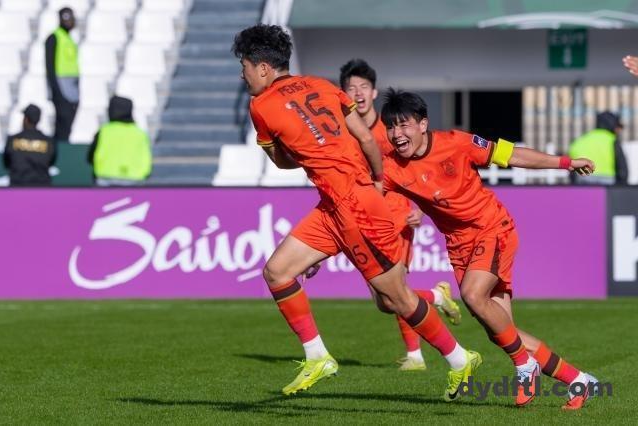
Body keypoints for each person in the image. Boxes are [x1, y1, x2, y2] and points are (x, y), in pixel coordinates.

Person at [232, 24, 480, 400]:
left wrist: (288, 147)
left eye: (245, 66)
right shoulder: (322, 85)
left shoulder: (261, 106)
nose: (243, 75)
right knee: (278, 272)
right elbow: (365, 137)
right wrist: (377, 179)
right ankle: (318, 357)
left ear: (263, 67)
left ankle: (460, 358)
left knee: (394, 299)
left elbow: (282, 162)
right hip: (336, 204)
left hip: (352, 206)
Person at [380, 88, 599, 409]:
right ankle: (579, 381)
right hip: (458, 246)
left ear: (423, 124)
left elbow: (512, 155)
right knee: (501, 329)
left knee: (472, 295)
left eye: (404, 125)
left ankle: (524, 365)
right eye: (391, 127)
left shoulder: (456, 142)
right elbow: (364, 196)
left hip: (492, 228)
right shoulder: (391, 167)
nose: (397, 134)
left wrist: (565, 162)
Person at [338, 58, 461, 371]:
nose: (358, 93)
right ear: (343, 93)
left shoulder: (391, 129)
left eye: (364, 87)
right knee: (384, 300)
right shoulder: (343, 131)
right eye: (351, 88)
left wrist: (416, 208)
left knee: (395, 290)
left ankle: (416, 356)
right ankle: (437, 296)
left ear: (373, 92)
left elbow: (415, 166)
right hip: (364, 215)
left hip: (396, 213)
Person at [87, 96, 152, 186]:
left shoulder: (104, 131)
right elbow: (146, 157)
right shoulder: (140, 133)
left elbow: (90, 156)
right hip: (135, 178)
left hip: (106, 177)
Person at [45, 7, 79, 143]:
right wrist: (56, 91)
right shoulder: (54, 37)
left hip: (72, 89)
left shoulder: (69, 39)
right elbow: (49, 66)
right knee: (62, 125)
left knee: (67, 127)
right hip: (61, 89)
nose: (69, 21)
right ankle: (58, 150)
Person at [569, 111, 628, 185]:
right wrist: (622, 186)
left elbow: (571, 167)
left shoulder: (580, 141)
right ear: (612, 125)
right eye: (617, 127)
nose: (618, 131)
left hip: (583, 181)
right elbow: (622, 169)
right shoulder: (612, 140)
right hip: (607, 182)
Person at [3, 104, 56, 186]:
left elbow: (6, 163)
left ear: (26, 119)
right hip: (42, 187)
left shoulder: (13, 140)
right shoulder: (48, 141)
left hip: (18, 187)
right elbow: (51, 162)